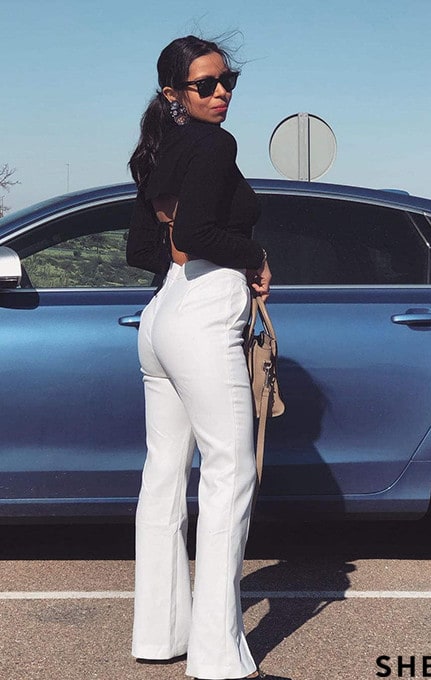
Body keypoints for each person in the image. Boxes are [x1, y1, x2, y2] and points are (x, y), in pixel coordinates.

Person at [126, 35, 272, 680]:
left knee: (164, 476)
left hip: (162, 316)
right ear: (173, 93)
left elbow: (142, 248)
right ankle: (218, 660)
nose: (221, 93)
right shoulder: (214, 145)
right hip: (204, 314)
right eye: (205, 84)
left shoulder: (160, 150)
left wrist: (186, 248)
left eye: (227, 80)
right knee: (228, 474)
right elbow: (195, 234)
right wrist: (254, 258)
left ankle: (160, 636)